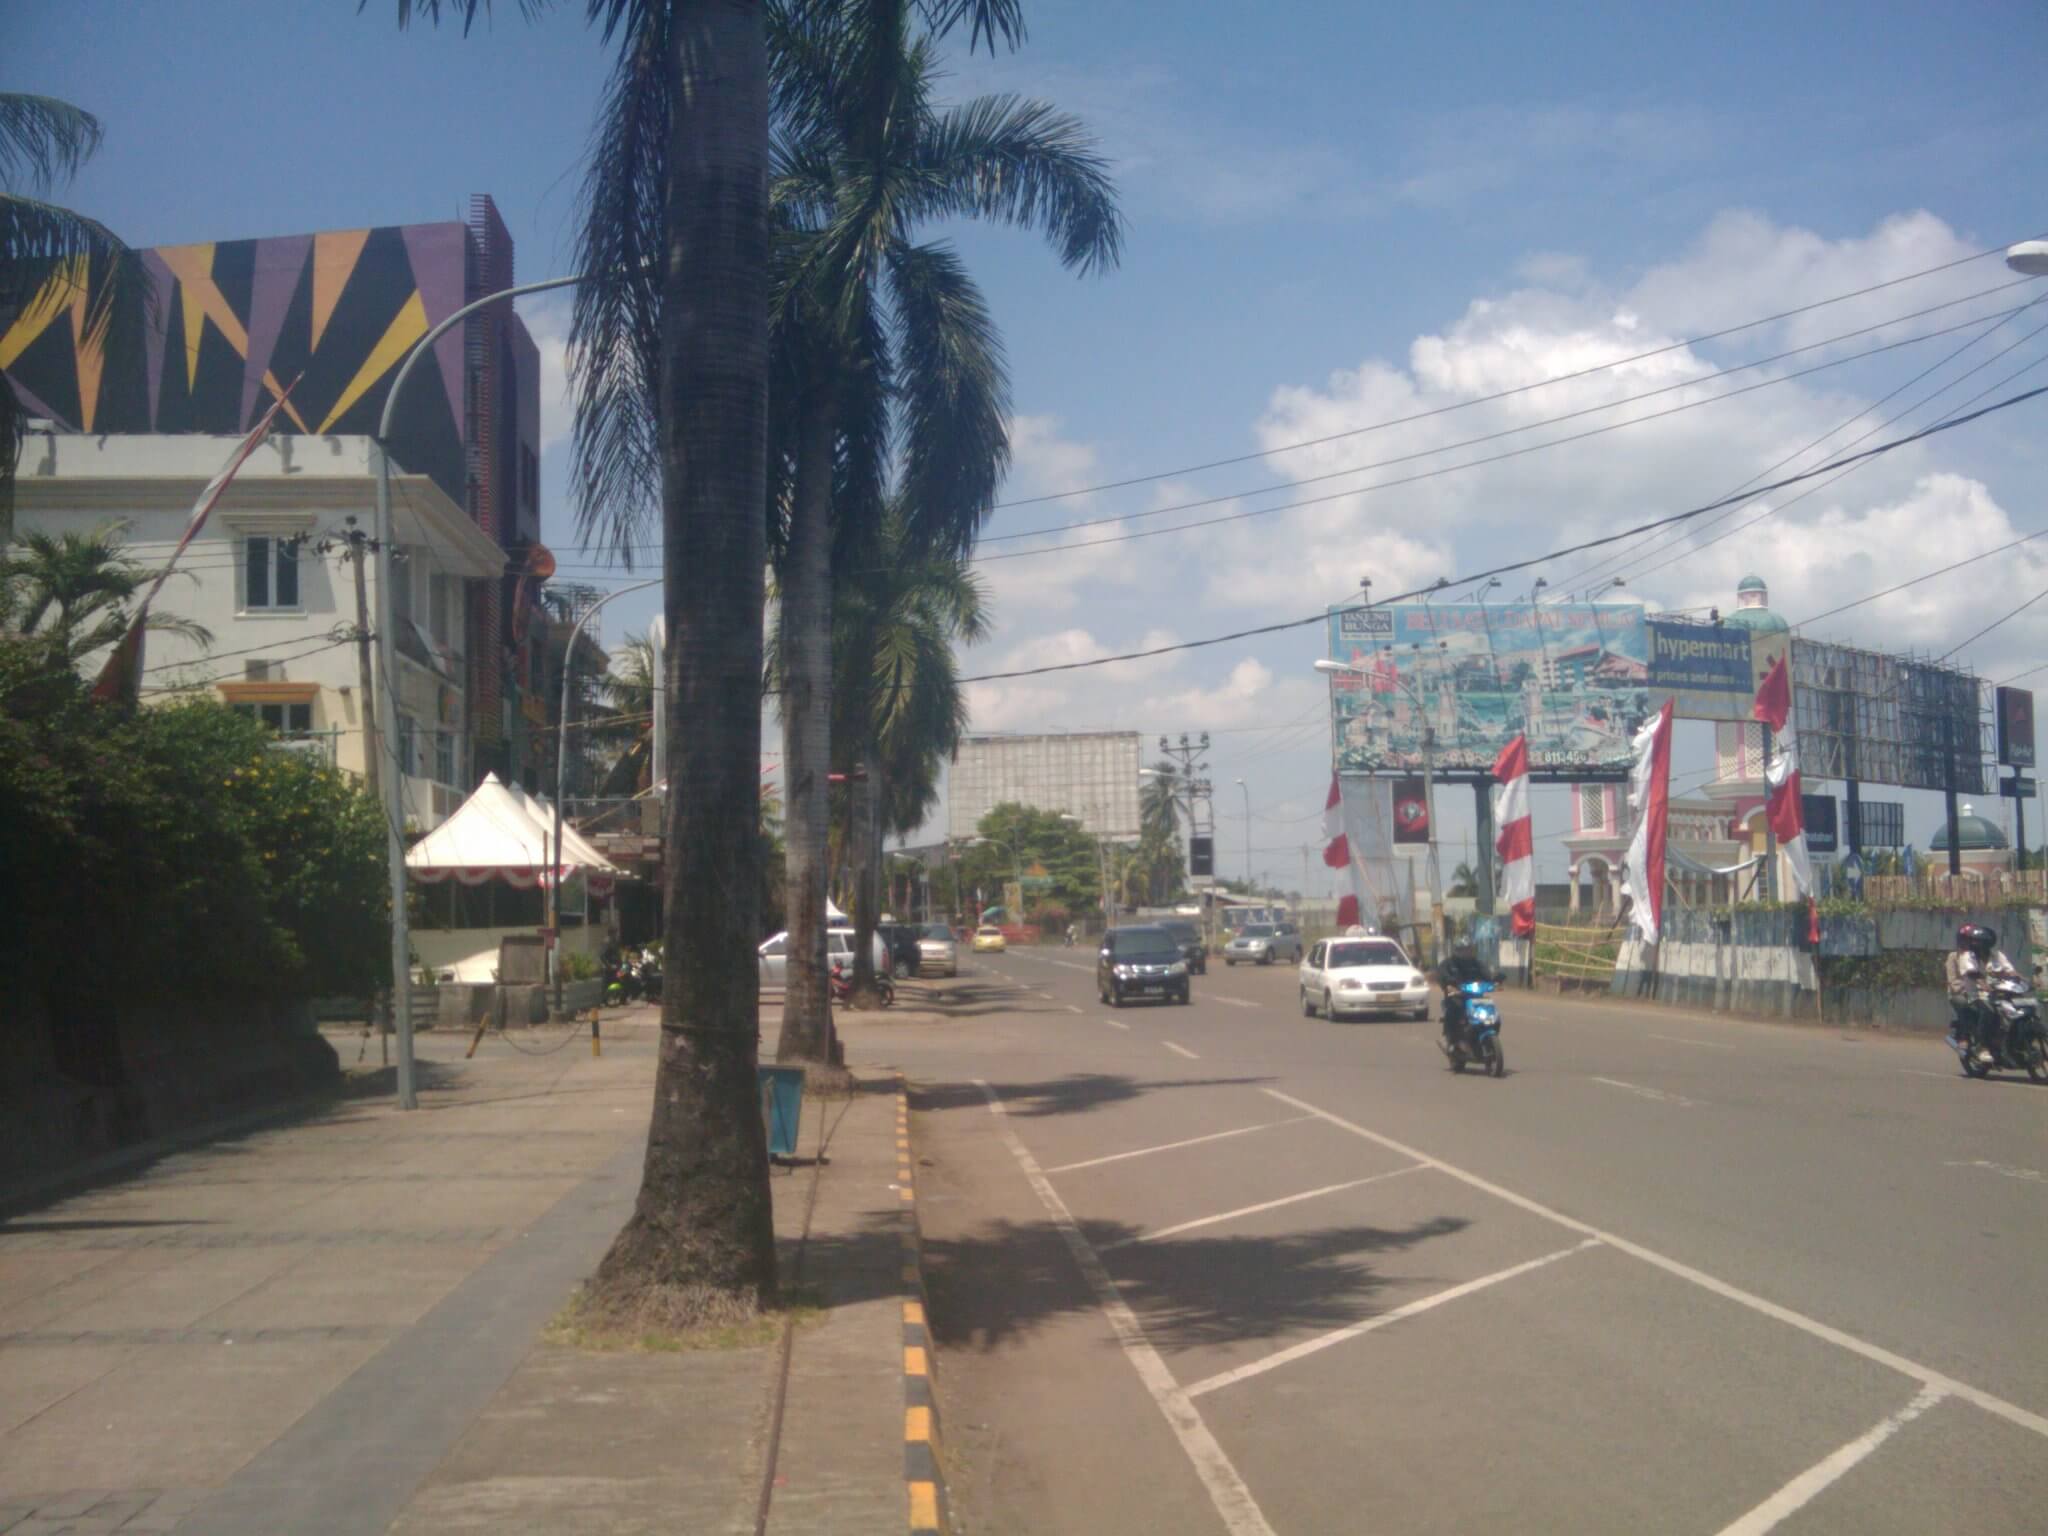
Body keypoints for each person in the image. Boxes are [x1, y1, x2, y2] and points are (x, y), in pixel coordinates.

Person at [1946, 923, 2021, 1063]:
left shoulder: (1997, 955)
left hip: (1996, 992)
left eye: (1975, 941)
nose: (1972, 944)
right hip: (1972, 994)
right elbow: (1967, 975)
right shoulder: (1964, 956)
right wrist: (1980, 984)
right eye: (1970, 941)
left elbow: (2009, 970)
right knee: (1987, 1010)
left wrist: (2017, 977)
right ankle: (1980, 1044)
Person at [1438, 945, 1489, 1048]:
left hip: (1475, 995)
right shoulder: (1448, 963)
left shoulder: (1476, 963)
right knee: (1453, 1009)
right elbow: (1442, 976)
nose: (1466, 952)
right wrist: (1449, 981)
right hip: (1456, 996)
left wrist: (1495, 977)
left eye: (1469, 950)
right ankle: (1447, 1037)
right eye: (1464, 950)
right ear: (1457, 951)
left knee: (1488, 1007)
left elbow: (1486, 974)